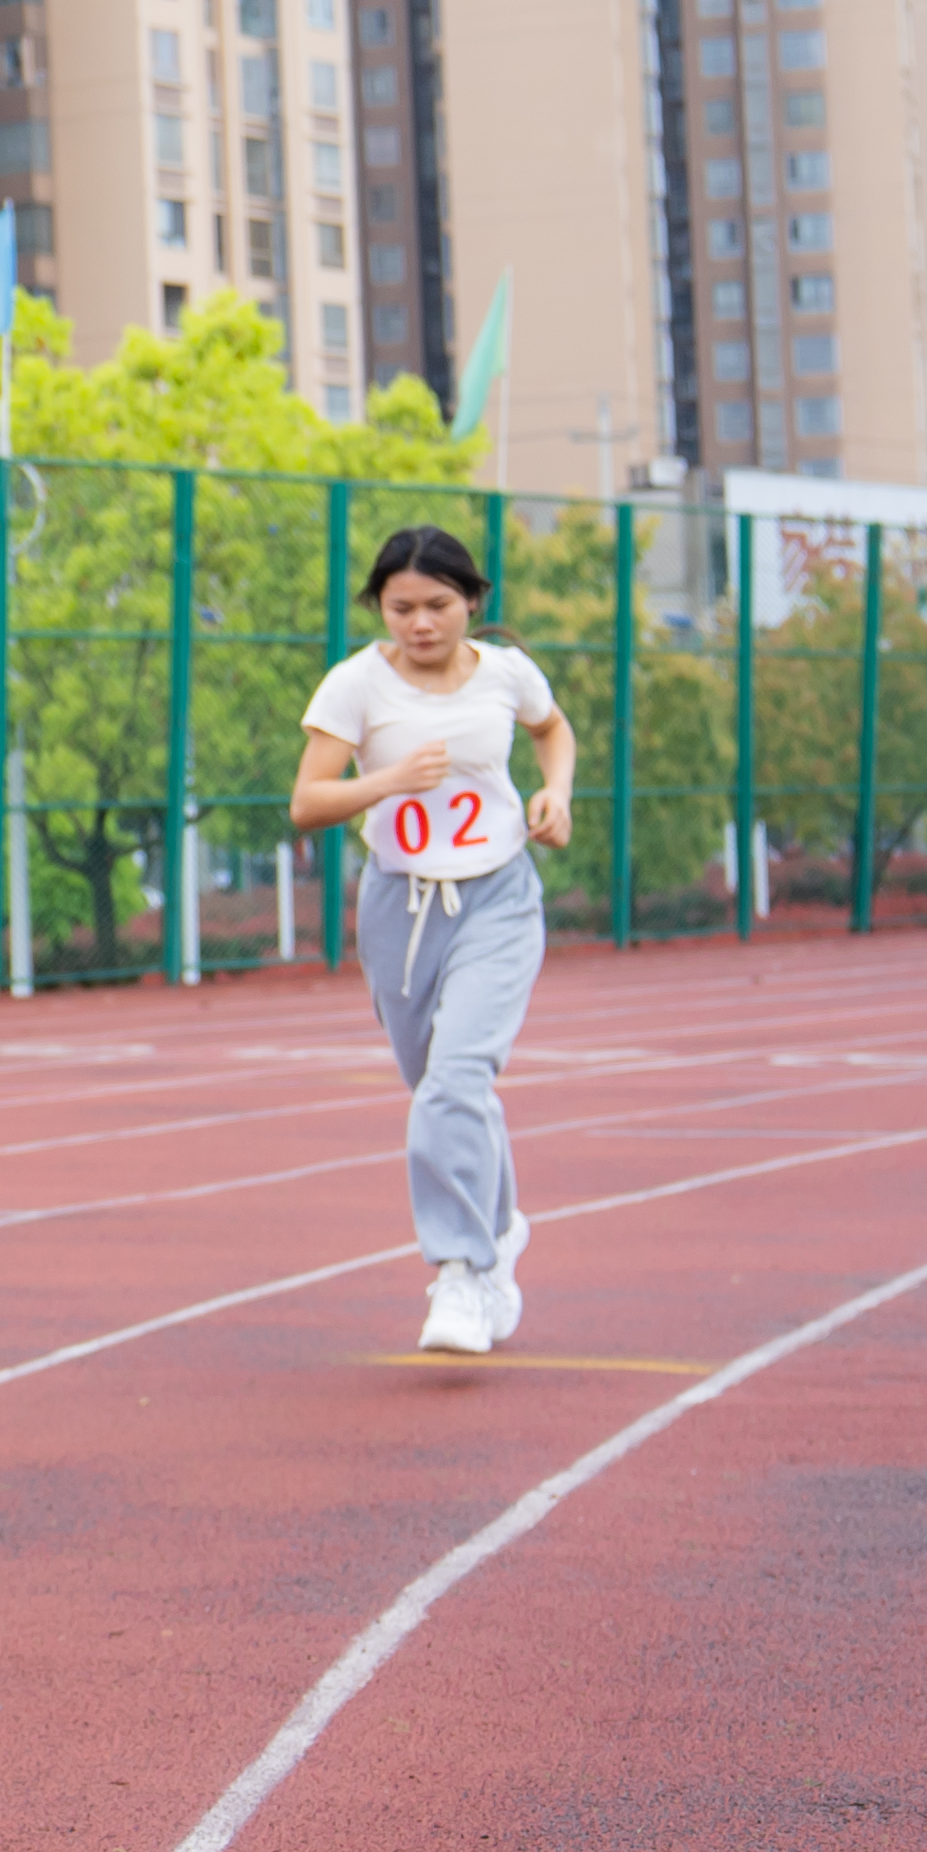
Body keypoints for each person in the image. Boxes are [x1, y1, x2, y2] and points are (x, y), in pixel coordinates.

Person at [289, 524, 578, 1359]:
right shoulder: (354, 685)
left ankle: (459, 1268)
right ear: (380, 607)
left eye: (439, 606)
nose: (420, 624)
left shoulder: (507, 674)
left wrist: (554, 796)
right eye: (401, 607)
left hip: (497, 898)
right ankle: (500, 1231)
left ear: (472, 603)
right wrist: (388, 780)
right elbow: (308, 802)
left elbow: (551, 730)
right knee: (440, 1090)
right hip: (399, 907)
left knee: (455, 1082)